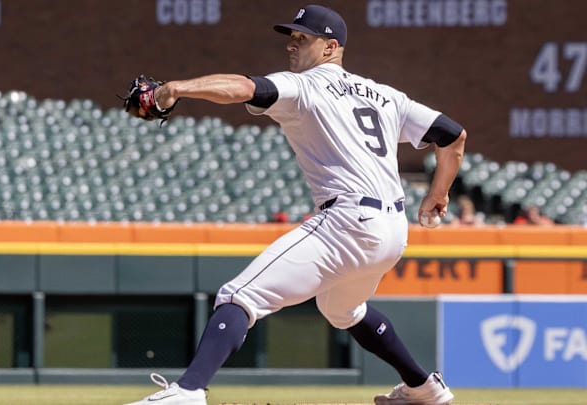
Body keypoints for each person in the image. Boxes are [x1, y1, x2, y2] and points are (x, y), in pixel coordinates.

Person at [125, 5, 465, 405]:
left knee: (239, 296)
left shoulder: (304, 86)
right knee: (342, 309)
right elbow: (453, 136)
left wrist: (176, 88)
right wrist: (438, 194)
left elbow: (242, 87)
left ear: (330, 47)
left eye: (302, 38)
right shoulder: (387, 96)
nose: (292, 44)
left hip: (349, 221)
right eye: (292, 36)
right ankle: (423, 387)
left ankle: (188, 391)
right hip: (393, 230)